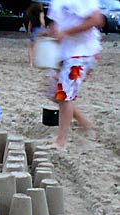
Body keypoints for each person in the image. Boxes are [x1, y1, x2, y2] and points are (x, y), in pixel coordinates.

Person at [40, 0, 103, 148]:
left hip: (81, 52)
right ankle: (84, 122)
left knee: (64, 95)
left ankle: (60, 141)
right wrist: (49, 33)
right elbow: (57, 23)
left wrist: (66, 32)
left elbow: (96, 19)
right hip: (65, 52)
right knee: (53, 92)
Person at [26, 2, 46, 67]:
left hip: (33, 31)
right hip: (39, 30)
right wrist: (43, 29)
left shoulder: (32, 14)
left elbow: (30, 24)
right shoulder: (41, 12)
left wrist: (29, 31)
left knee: (31, 48)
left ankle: (31, 63)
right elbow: (42, 21)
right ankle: (41, 62)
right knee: (41, 47)